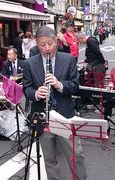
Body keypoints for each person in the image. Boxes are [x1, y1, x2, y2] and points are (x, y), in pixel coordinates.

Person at [23, 26, 87, 180]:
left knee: (75, 155)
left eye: (50, 43)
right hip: (43, 118)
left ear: (57, 42)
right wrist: (36, 94)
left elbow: (75, 86)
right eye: (42, 44)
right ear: (37, 45)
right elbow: (26, 88)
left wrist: (59, 85)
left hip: (65, 115)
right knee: (49, 158)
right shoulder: (30, 63)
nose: (47, 48)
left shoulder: (69, 59)